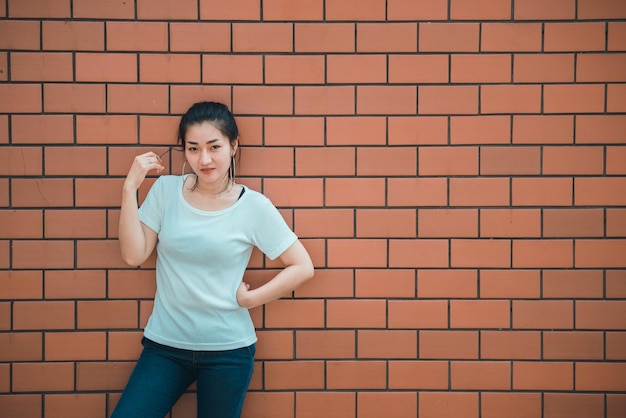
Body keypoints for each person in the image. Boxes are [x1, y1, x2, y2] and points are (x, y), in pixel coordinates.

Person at [113, 101, 314, 418]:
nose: (204, 159)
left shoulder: (254, 207)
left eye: (214, 146)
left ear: (234, 146)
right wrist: (129, 189)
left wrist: (251, 299)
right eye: (193, 148)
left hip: (228, 351)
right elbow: (133, 255)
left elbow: (303, 266)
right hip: (165, 347)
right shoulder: (165, 192)